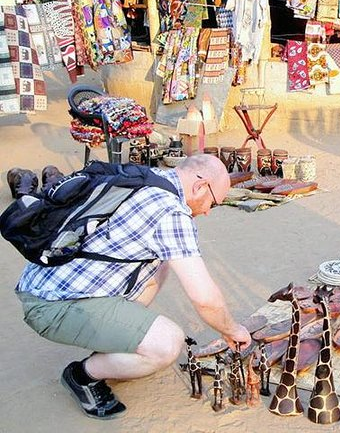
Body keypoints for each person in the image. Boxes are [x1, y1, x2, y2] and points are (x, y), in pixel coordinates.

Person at [14, 154, 251, 420]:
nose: (208, 211)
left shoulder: (149, 178)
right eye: (214, 203)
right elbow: (205, 298)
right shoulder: (170, 211)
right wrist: (232, 329)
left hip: (47, 282)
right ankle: (82, 376)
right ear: (199, 187)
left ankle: (118, 342)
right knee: (167, 343)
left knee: (161, 263)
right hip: (51, 306)